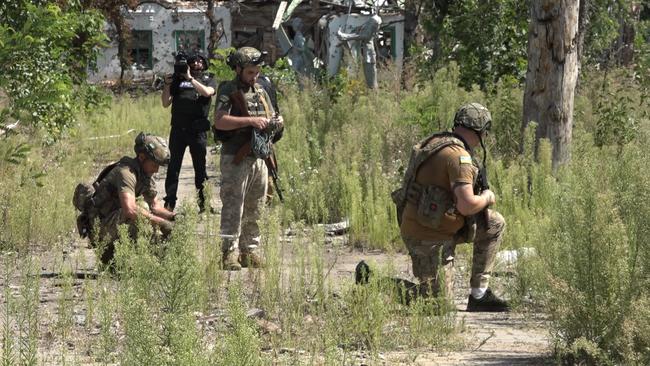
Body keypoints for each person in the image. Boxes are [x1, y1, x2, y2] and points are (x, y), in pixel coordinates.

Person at [391, 103, 510, 312]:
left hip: (438, 226)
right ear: (482, 132)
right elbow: (467, 205)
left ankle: (479, 295)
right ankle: (371, 281)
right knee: (438, 305)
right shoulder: (459, 157)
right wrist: (487, 197)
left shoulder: (437, 142)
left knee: (493, 223)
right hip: (427, 236)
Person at [213, 47, 284, 271]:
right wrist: (250, 122)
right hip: (236, 155)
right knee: (234, 204)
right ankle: (228, 252)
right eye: (250, 72)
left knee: (256, 205)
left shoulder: (263, 90)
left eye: (257, 72)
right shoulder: (229, 89)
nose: (254, 77)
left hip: (260, 156)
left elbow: (272, 114)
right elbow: (220, 121)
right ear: (238, 69)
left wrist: (276, 122)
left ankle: (249, 250)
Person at [83, 132, 176, 265]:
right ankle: (157, 259)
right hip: (101, 230)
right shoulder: (126, 173)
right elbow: (130, 211)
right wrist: (161, 223)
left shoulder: (145, 174)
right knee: (140, 210)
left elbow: (155, 206)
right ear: (142, 157)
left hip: (114, 226)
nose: (156, 170)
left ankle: (158, 261)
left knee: (150, 214)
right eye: (154, 164)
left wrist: (173, 217)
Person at [161, 51, 216, 213]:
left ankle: (204, 204)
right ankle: (169, 203)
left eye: (200, 61)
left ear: (204, 64)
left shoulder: (208, 78)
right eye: (193, 61)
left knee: (200, 169)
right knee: (173, 168)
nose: (197, 63)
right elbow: (165, 103)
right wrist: (167, 85)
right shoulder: (177, 81)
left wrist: (191, 78)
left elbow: (207, 92)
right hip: (178, 130)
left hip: (197, 130)